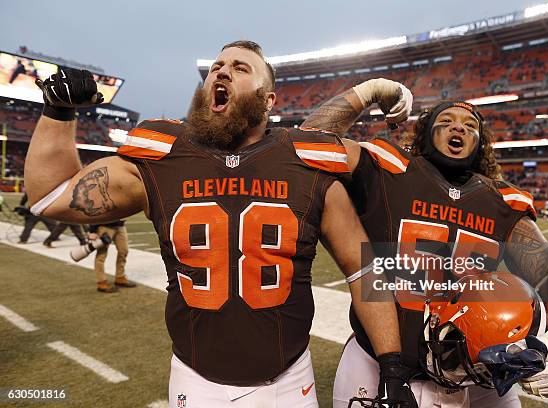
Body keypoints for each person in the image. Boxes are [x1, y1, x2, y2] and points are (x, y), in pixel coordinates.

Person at [25, 41, 415, 407]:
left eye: (240, 67)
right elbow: (50, 196)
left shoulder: (305, 161)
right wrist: (58, 113)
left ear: (268, 99)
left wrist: (393, 361)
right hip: (194, 379)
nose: (222, 72)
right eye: (216, 67)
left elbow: (364, 270)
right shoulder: (162, 157)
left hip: (289, 381)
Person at [302, 88, 548, 407]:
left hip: (478, 369)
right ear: (427, 134)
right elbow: (304, 145)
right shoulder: (387, 168)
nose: (460, 127)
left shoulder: (502, 202)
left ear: (479, 143)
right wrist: (366, 93)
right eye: (447, 121)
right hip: (379, 363)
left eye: (471, 125)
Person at [88, 220, 135, 293]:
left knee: (124, 251)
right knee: (101, 255)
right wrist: (92, 230)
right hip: (104, 225)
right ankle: (101, 282)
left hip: (120, 225)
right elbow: (95, 210)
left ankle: (120, 277)